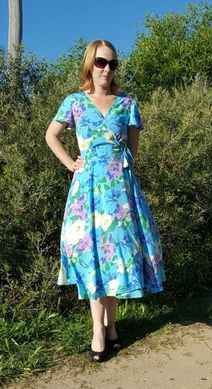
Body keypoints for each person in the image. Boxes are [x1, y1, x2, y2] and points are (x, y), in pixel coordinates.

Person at [45, 39, 166, 362]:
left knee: (114, 259)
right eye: (101, 62)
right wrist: (72, 163)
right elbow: (51, 135)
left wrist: (118, 174)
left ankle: (111, 326)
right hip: (87, 195)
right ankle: (98, 330)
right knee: (92, 258)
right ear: (89, 64)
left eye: (112, 63)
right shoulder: (74, 102)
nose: (107, 69)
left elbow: (133, 150)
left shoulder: (127, 104)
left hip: (120, 194)